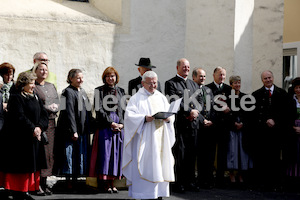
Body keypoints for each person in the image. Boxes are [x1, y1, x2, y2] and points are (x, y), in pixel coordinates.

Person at [123, 71, 175, 199]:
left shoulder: (161, 97)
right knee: (145, 165)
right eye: (150, 83)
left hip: (160, 138)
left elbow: (170, 114)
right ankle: (143, 194)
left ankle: (159, 194)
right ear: (142, 83)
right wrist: (144, 118)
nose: (153, 86)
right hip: (144, 140)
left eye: (155, 83)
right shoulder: (136, 98)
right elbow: (129, 117)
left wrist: (168, 119)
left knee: (160, 165)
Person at [0, 71, 48, 200]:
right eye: (31, 83)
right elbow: (19, 116)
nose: (33, 86)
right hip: (20, 138)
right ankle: (19, 191)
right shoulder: (16, 97)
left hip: (34, 137)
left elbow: (44, 114)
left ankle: (28, 189)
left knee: (32, 165)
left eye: (34, 83)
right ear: (23, 84)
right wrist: (33, 128)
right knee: (21, 166)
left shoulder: (35, 96)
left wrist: (39, 127)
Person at [165, 58, 201, 193]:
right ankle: (178, 183)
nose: (186, 68)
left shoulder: (194, 84)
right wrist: (189, 111)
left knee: (191, 156)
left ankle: (190, 181)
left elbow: (200, 101)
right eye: (184, 66)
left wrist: (196, 112)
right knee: (179, 155)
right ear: (177, 67)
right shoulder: (171, 83)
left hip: (193, 125)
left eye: (188, 67)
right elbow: (174, 100)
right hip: (180, 125)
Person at [251, 70, 289, 191]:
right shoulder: (256, 94)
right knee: (262, 158)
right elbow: (254, 114)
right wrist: (265, 120)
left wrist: (275, 121)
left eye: (269, 78)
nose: (268, 80)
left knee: (275, 159)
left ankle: (275, 183)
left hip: (277, 133)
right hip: (262, 133)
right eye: (265, 79)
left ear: (273, 77)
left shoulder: (282, 94)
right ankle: (262, 184)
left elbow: (286, 113)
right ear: (262, 80)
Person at [89, 67, 125, 193]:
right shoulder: (99, 90)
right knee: (105, 155)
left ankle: (112, 182)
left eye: (113, 76)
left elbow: (123, 110)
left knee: (116, 155)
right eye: (108, 76)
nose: (111, 78)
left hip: (118, 126)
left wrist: (121, 124)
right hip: (105, 125)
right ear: (104, 78)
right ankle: (104, 183)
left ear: (116, 77)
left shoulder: (121, 91)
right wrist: (111, 123)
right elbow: (99, 109)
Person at [55, 69, 92, 191]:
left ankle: (77, 180)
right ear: (71, 79)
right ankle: (69, 181)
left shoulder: (83, 92)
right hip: (70, 131)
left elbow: (88, 111)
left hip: (82, 131)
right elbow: (69, 112)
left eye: (82, 77)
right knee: (69, 155)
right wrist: (73, 130)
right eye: (78, 78)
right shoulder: (67, 92)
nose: (81, 80)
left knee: (79, 155)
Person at [33, 62, 59, 196]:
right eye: (41, 70)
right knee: (41, 154)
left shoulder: (51, 85)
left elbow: (59, 101)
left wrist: (56, 106)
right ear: (36, 71)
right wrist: (47, 108)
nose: (44, 72)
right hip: (40, 123)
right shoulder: (34, 86)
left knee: (50, 155)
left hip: (52, 124)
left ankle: (45, 183)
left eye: (45, 70)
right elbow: (34, 104)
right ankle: (37, 185)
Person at [206, 66, 232, 187]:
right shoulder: (208, 88)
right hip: (212, 126)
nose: (222, 77)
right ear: (214, 75)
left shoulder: (228, 89)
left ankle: (220, 179)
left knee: (222, 153)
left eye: (223, 75)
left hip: (224, 126)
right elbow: (207, 107)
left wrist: (229, 110)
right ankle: (209, 178)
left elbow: (234, 105)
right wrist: (219, 110)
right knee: (210, 153)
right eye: (220, 74)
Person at [226, 76, 252, 186]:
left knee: (242, 152)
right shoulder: (227, 98)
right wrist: (233, 123)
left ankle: (241, 174)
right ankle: (231, 174)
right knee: (232, 151)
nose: (237, 85)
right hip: (232, 128)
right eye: (235, 83)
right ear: (231, 84)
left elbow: (249, 114)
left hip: (242, 128)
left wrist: (243, 124)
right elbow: (226, 114)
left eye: (239, 83)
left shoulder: (245, 97)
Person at [192, 67, 216, 189]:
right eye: (200, 76)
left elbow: (212, 107)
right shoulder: (191, 90)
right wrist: (203, 120)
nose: (203, 78)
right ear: (194, 77)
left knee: (209, 155)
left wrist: (211, 120)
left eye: (204, 76)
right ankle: (200, 180)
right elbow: (193, 108)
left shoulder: (208, 90)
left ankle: (209, 179)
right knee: (200, 156)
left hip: (209, 127)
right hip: (198, 127)